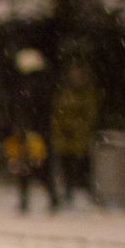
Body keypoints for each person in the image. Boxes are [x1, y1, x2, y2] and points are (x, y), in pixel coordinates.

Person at [4, 47, 58, 213]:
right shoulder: (40, 83)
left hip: (31, 130)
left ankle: (31, 200)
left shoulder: (29, 85)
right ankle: (48, 198)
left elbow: (25, 108)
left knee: (29, 166)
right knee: (35, 165)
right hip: (36, 130)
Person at [50, 61, 101, 207]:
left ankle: (89, 193)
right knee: (65, 166)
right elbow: (57, 114)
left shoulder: (87, 93)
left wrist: (76, 126)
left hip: (79, 138)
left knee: (82, 166)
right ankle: (68, 192)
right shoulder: (64, 92)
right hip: (64, 138)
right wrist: (62, 128)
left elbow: (90, 115)